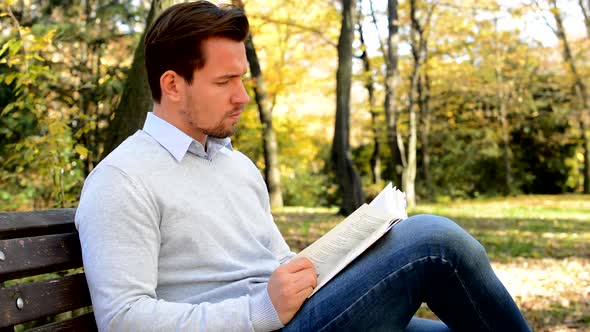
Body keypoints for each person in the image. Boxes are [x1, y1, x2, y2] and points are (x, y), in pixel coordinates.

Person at [75, 1, 532, 331]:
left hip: (299, 317)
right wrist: (259, 311)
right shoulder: (122, 180)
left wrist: (339, 261)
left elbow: (275, 263)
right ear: (172, 85)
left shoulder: (235, 166)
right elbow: (122, 319)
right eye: (225, 81)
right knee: (432, 240)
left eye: (243, 79)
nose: (242, 96)